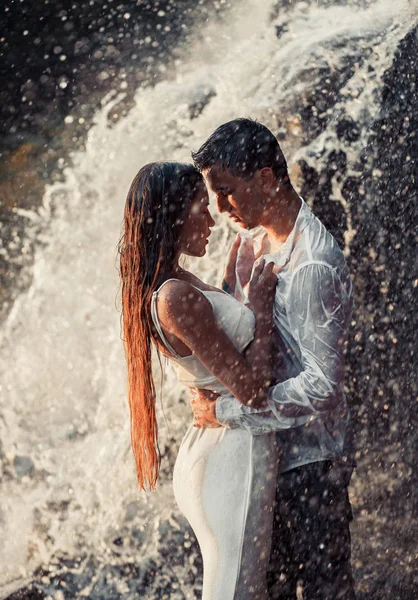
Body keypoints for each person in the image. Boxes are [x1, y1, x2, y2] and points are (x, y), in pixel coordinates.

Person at [191, 118, 357, 600]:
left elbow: (322, 386)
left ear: (265, 179)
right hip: (257, 458)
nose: (219, 209)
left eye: (226, 193)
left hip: (309, 467)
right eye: (214, 195)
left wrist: (226, 412)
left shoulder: (313, 265)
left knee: (326, 591)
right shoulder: (248, 239)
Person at [118, 161, 282, 600]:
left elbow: (216, 352)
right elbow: (252, 391)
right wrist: (262, 311)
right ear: (171, 215)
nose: (211, 219)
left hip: (219, 448)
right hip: (229, 457)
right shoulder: (175, 295)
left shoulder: (174, 284)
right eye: (199, 208)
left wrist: (233, 285)